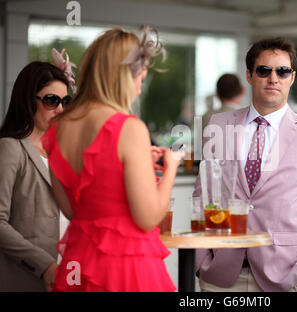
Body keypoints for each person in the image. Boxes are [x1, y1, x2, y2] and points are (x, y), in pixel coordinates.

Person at [41, 26, 185, 292]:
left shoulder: (56, 130)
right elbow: (148, 217)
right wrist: (172, 167)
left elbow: (74, 212)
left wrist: (135, 159)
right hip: (126, 268)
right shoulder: (129, 128)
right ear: (123, 76)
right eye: (140, 78)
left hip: (81, 266)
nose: (140, 89)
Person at [195, 37, 297, 292]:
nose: (273, 78)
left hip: (284, 278)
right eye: (264, 70)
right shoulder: (219, 125)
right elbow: (203, 197)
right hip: (220, 276)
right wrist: (201, 262)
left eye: (282, 71)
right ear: (250, 75)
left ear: (292, 77)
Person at [0, 54, 73, 291]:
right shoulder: (10, 147)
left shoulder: (61, 151)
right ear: (28, 101)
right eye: (51, 100)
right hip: (26, 278)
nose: (60, 109)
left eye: (65, 101)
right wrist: (44, 265)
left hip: (68, 274)